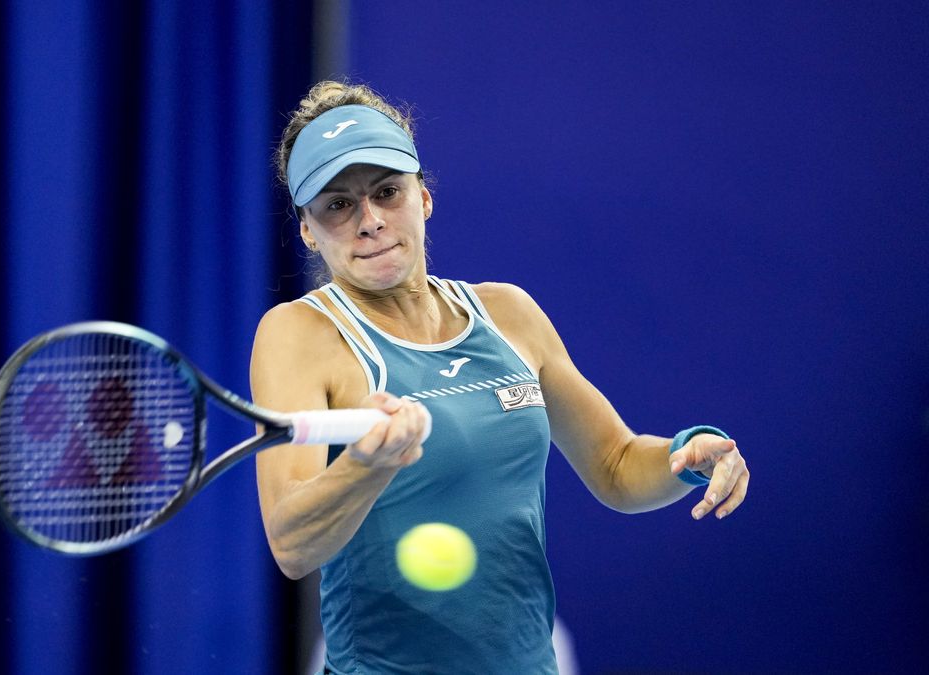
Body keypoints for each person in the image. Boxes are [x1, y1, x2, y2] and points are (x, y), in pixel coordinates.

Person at [249, 81, 750, 674]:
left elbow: (615, 465)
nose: (369, 221)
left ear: (424, 197)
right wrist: (368, 464)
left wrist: (683, 456)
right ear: (307, 230)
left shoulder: (509, 312)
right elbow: (292, 545)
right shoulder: (298, 334)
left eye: (388, 192)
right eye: (337, 204)